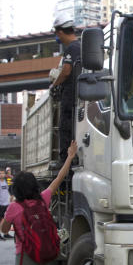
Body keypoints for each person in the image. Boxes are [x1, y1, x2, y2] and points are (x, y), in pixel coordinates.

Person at [52, 16, 81, 162]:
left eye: (57, 34)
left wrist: (55, 85)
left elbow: (66, 71)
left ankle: (65, 169)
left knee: (65, 135)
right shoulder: (81, 47)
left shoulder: (72, 48)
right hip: (78, 100)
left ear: (60, 33)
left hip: (70, 101)